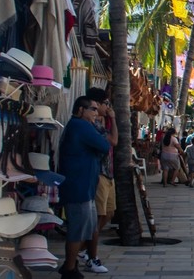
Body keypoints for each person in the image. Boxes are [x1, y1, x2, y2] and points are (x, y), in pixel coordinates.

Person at [57, 96, 112, 279]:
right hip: (78, 186)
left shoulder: (81, 126)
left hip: (84, 186)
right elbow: (104, 145)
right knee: (77, 230)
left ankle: (70, 264)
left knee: (85, 228)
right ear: (81, 110)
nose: (96, 113)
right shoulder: (80, 126)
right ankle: (70, 268)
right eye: (93, 109)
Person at [81, 87, 117, 274]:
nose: (105, 108)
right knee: (96, 218)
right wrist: (113, 119)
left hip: (108, 173)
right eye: (105, 104)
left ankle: (84, 248)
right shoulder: (91, 125)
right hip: (99, 174)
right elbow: (113, 141)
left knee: (109, 213)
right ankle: (88, 253)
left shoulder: (99, 123)